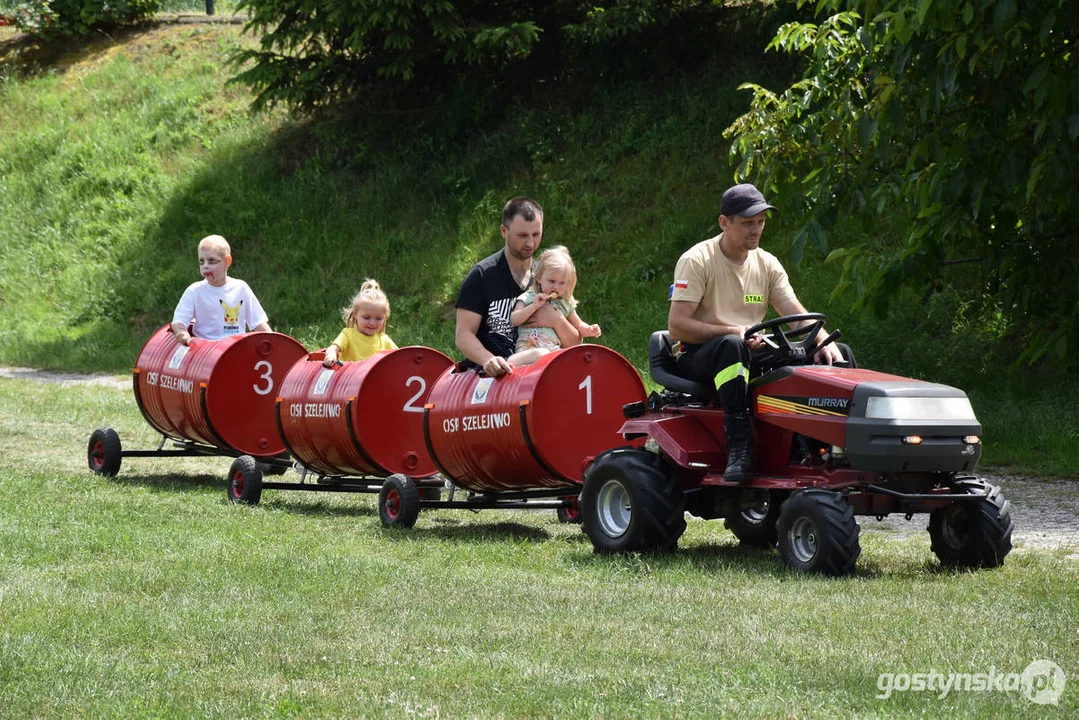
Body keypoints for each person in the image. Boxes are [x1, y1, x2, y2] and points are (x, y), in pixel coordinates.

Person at [668, 183, 843, 483]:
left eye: (760, 222)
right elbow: (677, 326)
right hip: (699, 353)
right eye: (748, 222)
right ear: (724, 222)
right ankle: (740, 444)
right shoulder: (697, 260)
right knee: (731, 346)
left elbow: (793, 313)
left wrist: (822, 339)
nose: (756, 230)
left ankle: (828, 444)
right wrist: (734, 330)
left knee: (834, 353)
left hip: (751, 348)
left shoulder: (767, 263)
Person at [455, 197, 580, 377]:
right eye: (522, 235)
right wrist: (488, 359)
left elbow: (576, 344)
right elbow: (463, 335)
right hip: (494, 378)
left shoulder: (549, 278)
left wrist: (555, 320)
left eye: (536, 234)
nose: (530, 243)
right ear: (504, 231)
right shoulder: (482, 275)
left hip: (541, 375)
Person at [507, 246, 601, 366]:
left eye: (562, 283)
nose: (556, 287)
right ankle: (512, 361)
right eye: (552, 281)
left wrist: (589, 329)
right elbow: (514, 319)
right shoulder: (530, 296)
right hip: (529, 348)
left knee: (569, 359)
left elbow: (578, 325)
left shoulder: (564, 303)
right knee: (541, 354)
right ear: (539, 278)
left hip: (553, 351)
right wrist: (534, 306)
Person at [171, 234, 271, 345]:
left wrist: (273, 342)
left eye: (211, 261)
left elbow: (258, 323)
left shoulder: (241, 288)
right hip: (206, 350)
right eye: (201, 261)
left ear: (227, 261)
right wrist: (181, 332)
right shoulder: (194, 291)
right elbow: (179, 320)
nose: (205, 266)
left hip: (235, 348)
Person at [323, 279, 399, 367]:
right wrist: (331, 355)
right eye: (366, 317)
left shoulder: (384, 340)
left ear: (385, 318)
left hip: (374, 379)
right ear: (356, 314)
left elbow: (400, 355)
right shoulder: (348, 335)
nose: (372, 323)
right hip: (350, 378)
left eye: (378, 319)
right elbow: (333, 348)